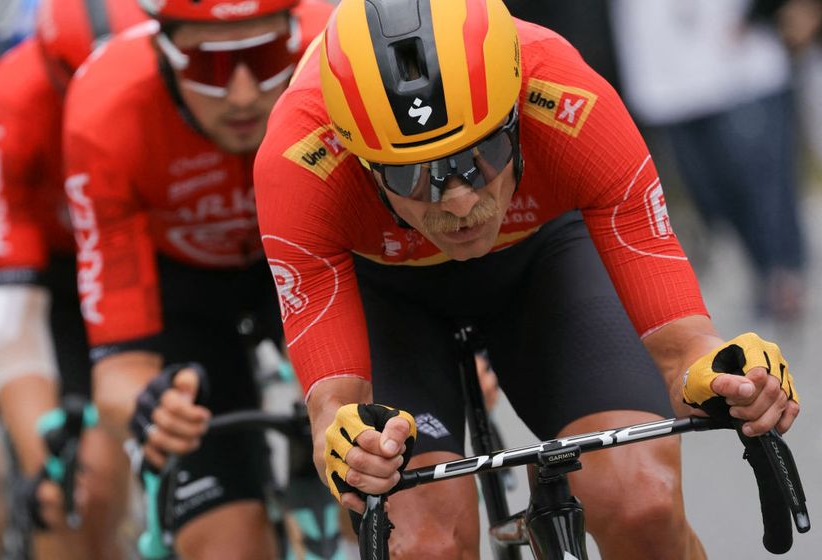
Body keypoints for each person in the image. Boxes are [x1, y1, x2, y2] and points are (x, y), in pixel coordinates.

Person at [251, 0, 801, 557]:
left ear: (516, 113)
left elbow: (684, 350)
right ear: (361, 158)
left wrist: (733, 380)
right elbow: (334, 417)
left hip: (543, 257)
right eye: (410, 173)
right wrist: (351, 449)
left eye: (481, 154)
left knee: (642, 502)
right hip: (387, 296)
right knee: (422, 545)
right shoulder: (297, 159)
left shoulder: (566, 95)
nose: (460, 199)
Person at [62, 0, 333, 557]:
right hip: (186, 301)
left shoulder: (337, 57)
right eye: (207, 67)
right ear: (162, 49)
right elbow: (119, 372)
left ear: (294, 35)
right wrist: (153, 409)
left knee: (393, 504)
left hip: (317, 266)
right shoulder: (104, 112)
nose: (239, 95)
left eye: (262, 58)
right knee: (228, 544)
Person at [0, 1, 147, 558]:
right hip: (45, 278)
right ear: (51, 70)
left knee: (104, 484)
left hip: (136, 260)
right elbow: (11, 316)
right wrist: (45, 456)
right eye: (80, 90)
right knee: (69, 489)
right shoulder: (9, 102)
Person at [610, 0, 807, 322]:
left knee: (759, 181)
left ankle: (782, 273)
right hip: (666, 79)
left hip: (739, 67)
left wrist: (767, 12)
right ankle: (763, 270)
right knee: (711, 194)